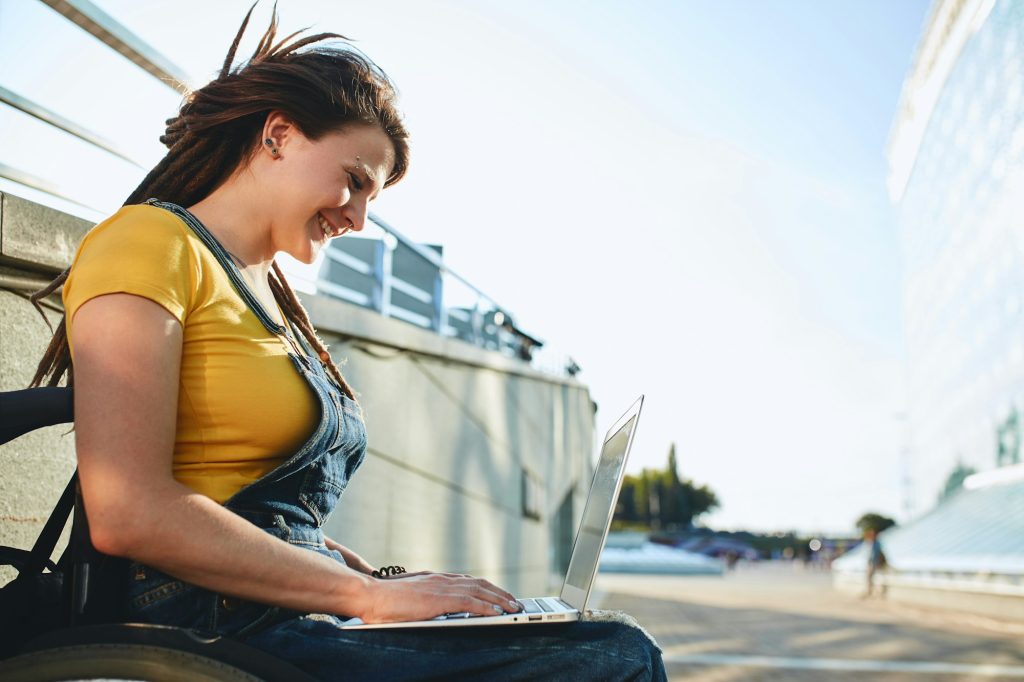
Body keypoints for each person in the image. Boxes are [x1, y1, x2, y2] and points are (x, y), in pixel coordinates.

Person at [28, 5, 666, 680]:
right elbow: (129, 514)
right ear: (279, 134)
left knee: (596, 637)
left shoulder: (270, 296)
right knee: (614, 659)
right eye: (356, 180)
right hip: (207, 626)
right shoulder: (150, 242)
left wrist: (389, 582)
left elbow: (258, 506)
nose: (359, 218)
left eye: (373, 200)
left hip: (281, 612)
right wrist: (365, 596)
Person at [862, 528, 888, 598]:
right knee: (870, 578)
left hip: (874, 563)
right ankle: (871, 591)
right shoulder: (871, 543)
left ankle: (872, 592)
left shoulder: (876, 543)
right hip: (871, 563)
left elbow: (876, 554)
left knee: (871, 578)